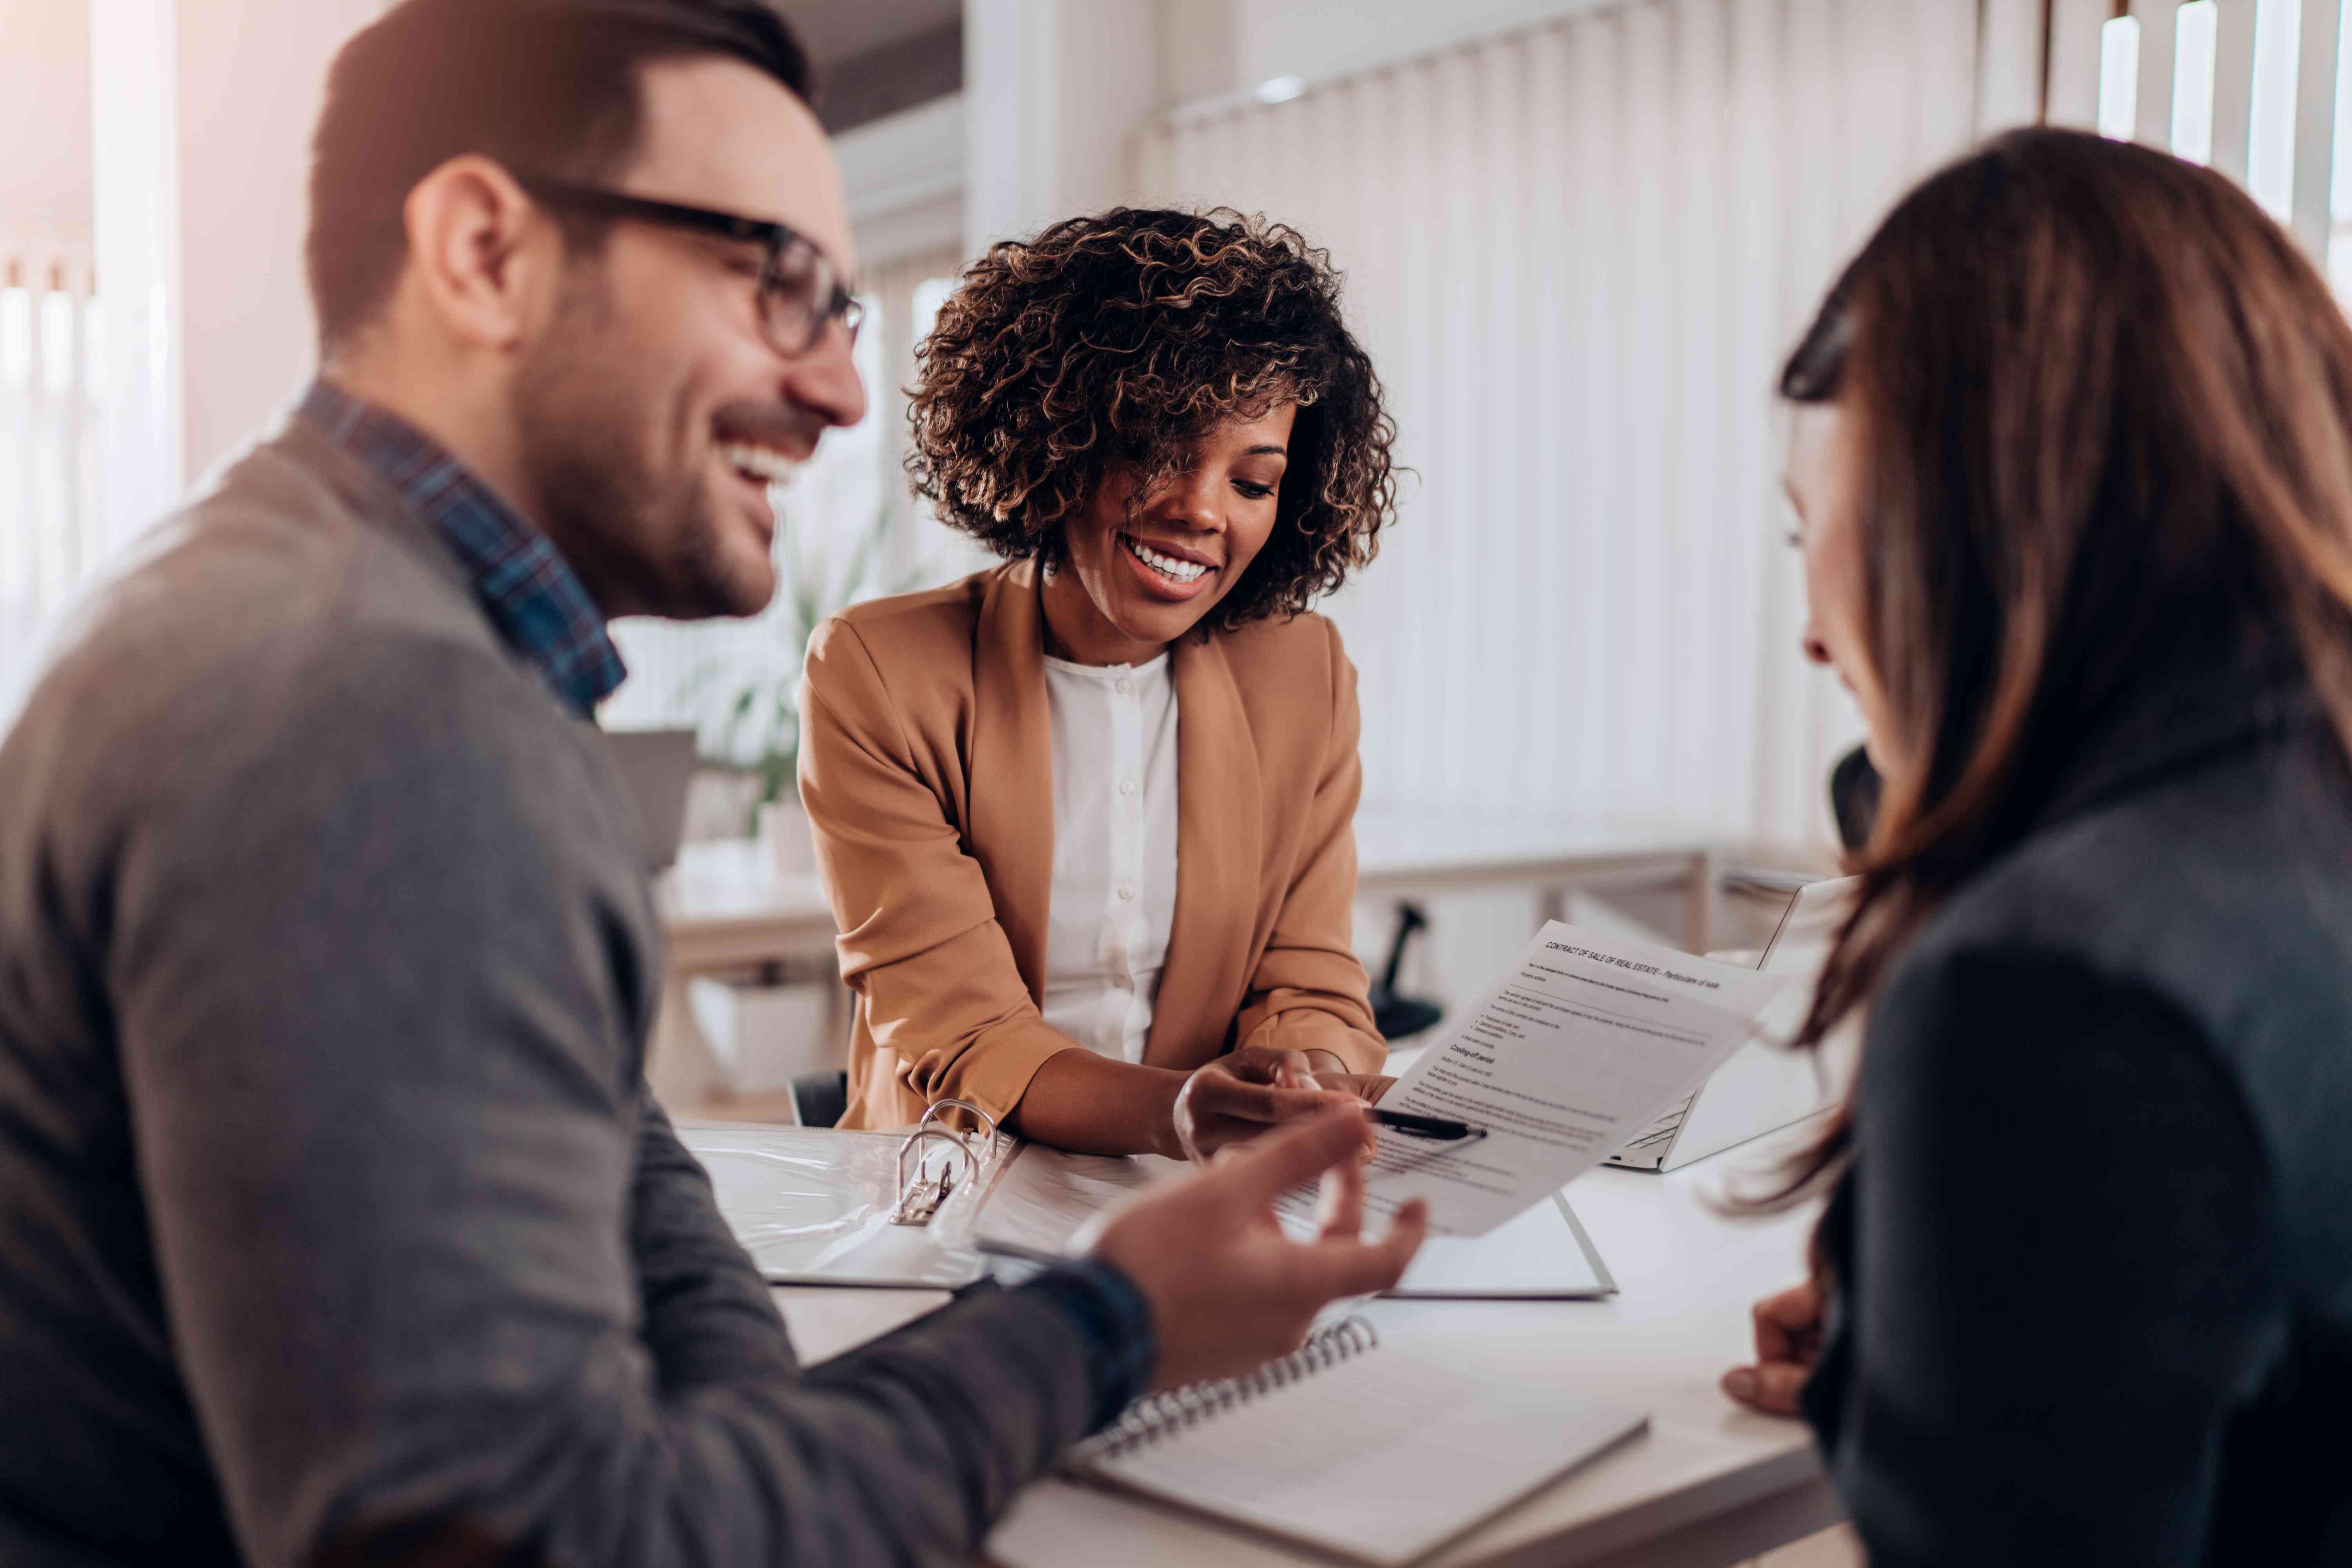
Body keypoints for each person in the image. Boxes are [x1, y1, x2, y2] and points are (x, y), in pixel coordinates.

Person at [0, 4, 1427, 1564]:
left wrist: (773, 1410)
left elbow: (617, 1148)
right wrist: (1110, 1327)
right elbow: (531, 1539)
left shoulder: (326, 603)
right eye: (776, 285)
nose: (833, 392)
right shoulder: (374, 715)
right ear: (484, 251)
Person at [1720, 128, 2352, 1562]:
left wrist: (1903, 1381)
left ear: (1967, 517)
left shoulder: (2051, 987)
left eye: (1813, 527)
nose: (1817, 631)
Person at [799, 208, 1402, 1151]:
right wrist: (1180, 1110)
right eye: (1159, 450)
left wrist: (1307, 1074)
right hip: (946, 1188)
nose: (1201, 511)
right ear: (1060, 439)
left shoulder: (1304, 673)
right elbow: (964, 1035)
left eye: (1252, 482)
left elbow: (1308, 977)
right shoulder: (880, 672)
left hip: (1195, 1195)